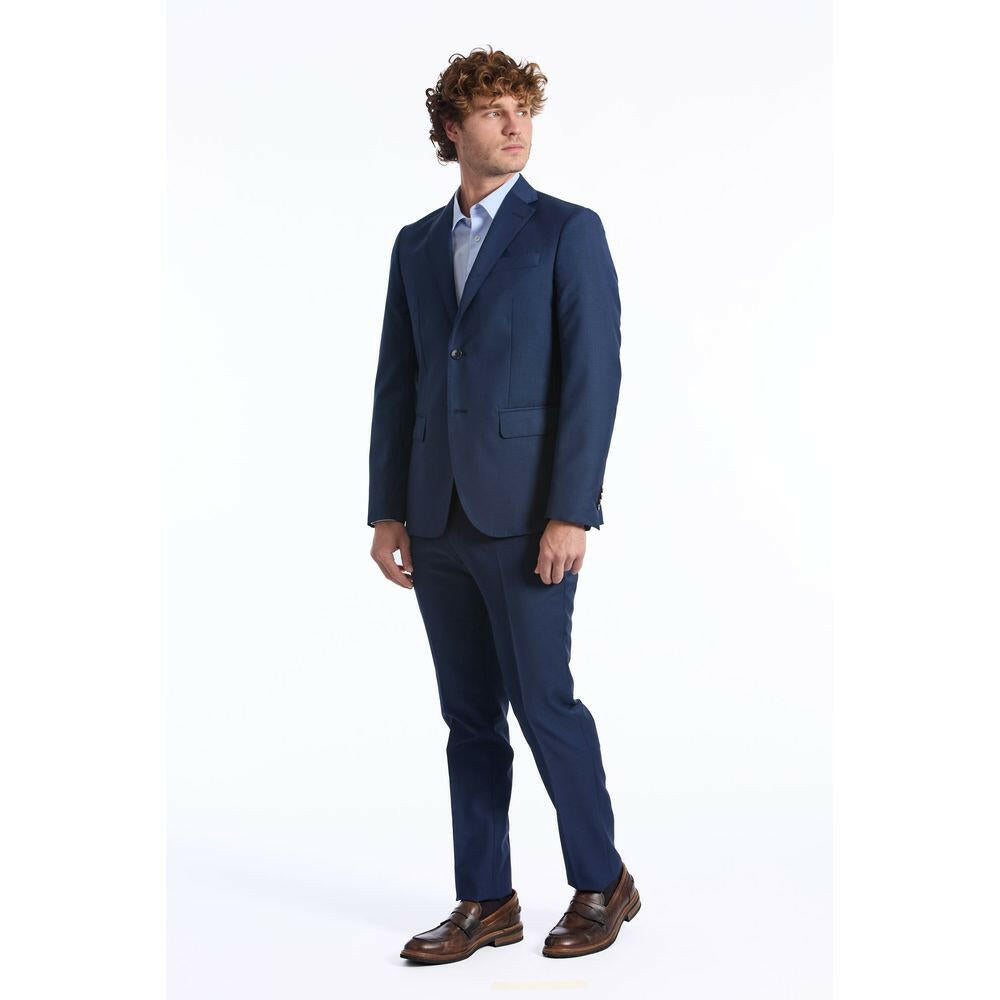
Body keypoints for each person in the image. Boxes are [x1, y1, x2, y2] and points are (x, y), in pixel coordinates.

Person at [367, 46, 639, 964]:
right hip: (435, 515)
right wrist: (388, 509)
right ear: (453, 129)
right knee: (469, 717)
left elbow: (593, 379)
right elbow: (398, 382)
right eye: (493, 110)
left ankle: (602, 881)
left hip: (527, 518)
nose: (515, 123)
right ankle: (486, 899)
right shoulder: (415, 244)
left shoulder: (567, 231)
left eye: (523, 107)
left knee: (544, 703)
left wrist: (572, 510)